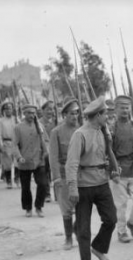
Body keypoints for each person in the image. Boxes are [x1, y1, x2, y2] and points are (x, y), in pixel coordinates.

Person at [66, 97, 117, 260]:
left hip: (102, 182)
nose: (108, 118)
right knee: (83, 226)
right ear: (97, 115)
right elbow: (71, 163)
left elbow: (107, 154)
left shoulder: (103, 131)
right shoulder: (79, 134)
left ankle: (99, 248)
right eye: (105, 115)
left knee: (111, 219)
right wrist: (72, 188)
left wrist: (113, 169)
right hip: (83, 185)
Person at [109, 95, 133, 243]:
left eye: (127, 107)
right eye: (122, 108)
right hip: (118, 169)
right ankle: (122, 231)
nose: (125, 110)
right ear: (116, 109)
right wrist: (112, 170)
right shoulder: (111, 128)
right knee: (120, 204)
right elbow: (108, 151)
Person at [49, 98, 80, 250]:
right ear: (64, 115)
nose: (75, 117)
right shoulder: (56, 132)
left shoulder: (82, 130)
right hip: (64, 173)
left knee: (83, 205)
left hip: (81, 174)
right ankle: (68, 238)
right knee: (66, 208)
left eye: (77, 113)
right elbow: (53, 157)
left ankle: (77, 229)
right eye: (72, 114)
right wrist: (56, 178)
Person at [13, 104, 49, 218]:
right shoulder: (18, 127)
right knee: (25, 187)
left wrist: (46, 151)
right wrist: (19, 157)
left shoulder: (40, 126)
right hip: (25, 161)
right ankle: (28, 208)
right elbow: (14, 145)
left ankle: (39, 206)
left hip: (39, 160)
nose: (31, 115)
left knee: (43, 184)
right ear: (24, 113)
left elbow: (45, 140)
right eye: (29, 113)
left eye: (33, 113)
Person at [0, 101, 19, 189]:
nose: (8, 110)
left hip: (16, 143)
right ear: (3, 110)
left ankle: (17, 179)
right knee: (7, 164)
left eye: (10, 108)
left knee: (17, 163)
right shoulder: (0, 122)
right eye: (6, 109)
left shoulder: (16, 119)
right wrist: (1, 146)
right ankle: (9, 181)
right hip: (6, 143)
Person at [40, 100, 57, 203]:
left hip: (56, 149)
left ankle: (57, 194)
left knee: (56, 172)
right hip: (45, 150)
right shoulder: (39, 122)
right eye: (48, 109)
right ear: (43, 110)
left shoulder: (57, 122)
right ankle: (47, 194)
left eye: (52, 109)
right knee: (45, 173)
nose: (50, 111)